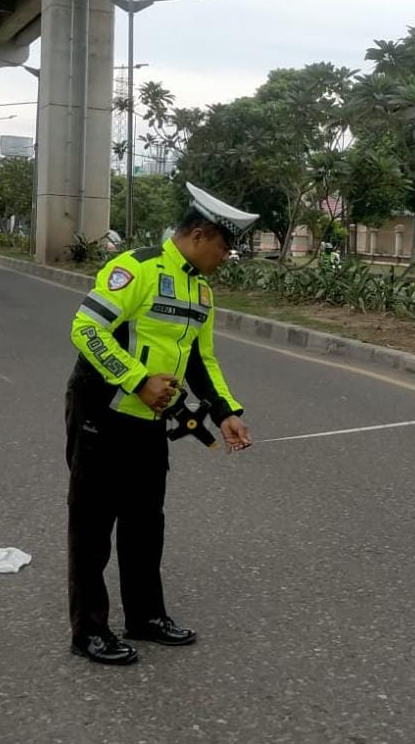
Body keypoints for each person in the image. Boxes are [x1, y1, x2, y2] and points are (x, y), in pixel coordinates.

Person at [64, 183, 258, 664]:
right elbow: (85, 328)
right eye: (225, 246)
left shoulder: (201, 291)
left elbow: (201, 360)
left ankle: (145, 616)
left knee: (145, 523)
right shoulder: (137, 269)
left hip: (149, 423)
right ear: (198, 234)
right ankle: (88, 630)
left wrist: (226, 411)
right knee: (92, 526)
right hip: (101, 412)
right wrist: (138, 381)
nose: (227, 256)